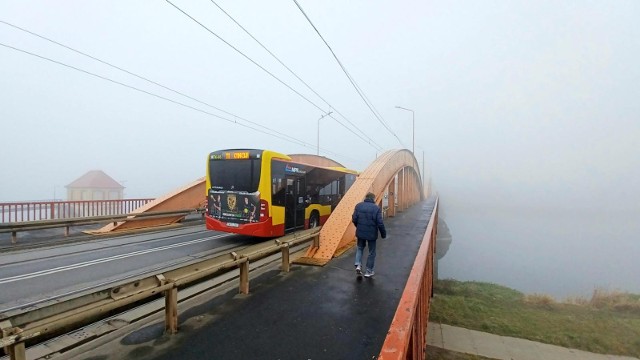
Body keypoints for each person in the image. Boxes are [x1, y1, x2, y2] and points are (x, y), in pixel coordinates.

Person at [352, 192, 386, 278]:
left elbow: (354, 219)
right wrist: (383, 234)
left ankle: (358, 265)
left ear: (366, 197)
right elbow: (380, 223)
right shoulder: (376, 208)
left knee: (360, 248)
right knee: (371, 252)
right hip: (371, 233)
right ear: (373, 199)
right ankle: (368, 271)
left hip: (360, 232)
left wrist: (358, 226)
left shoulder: (358, 206)